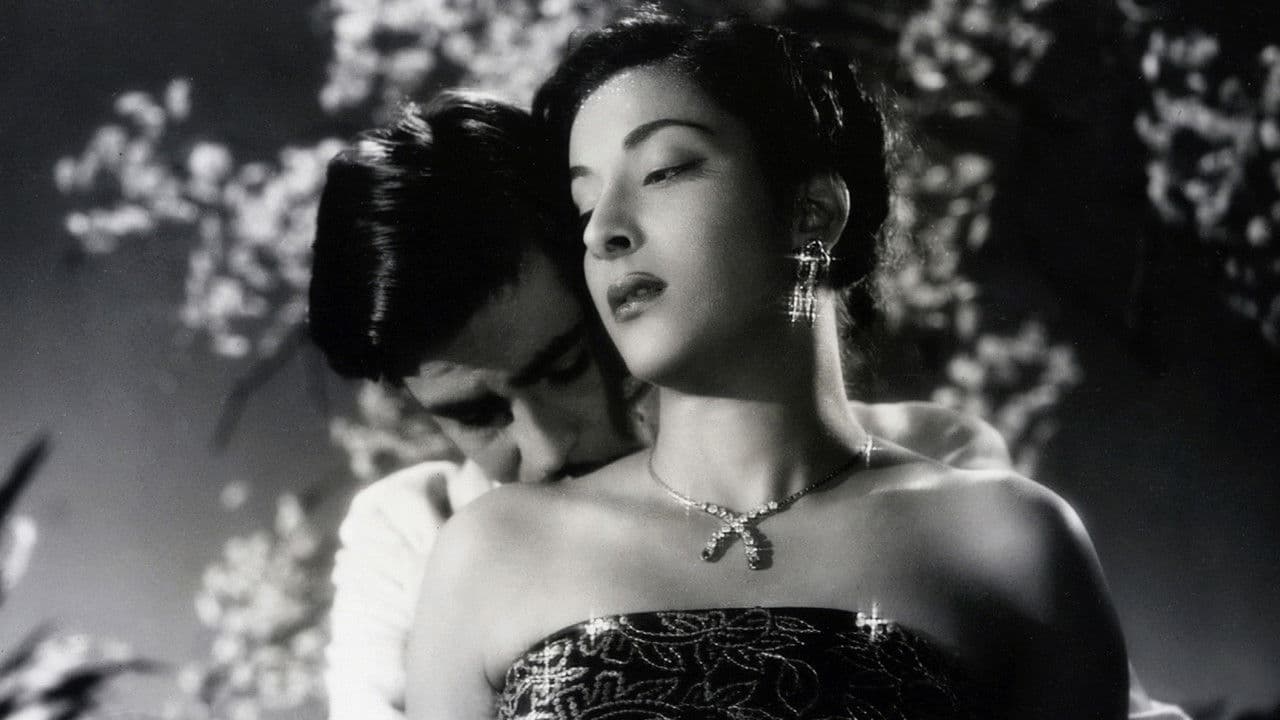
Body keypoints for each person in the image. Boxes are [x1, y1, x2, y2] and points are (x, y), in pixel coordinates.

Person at [405, 12, 1166, 718]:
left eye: (664, 170)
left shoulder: (1007, 543)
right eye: (584, 205)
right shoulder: (493, 551)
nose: (605, 229)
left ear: (812, 214)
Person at [308, 92, 1022, 720]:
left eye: (567, 367)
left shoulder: (934, 474)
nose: (548, 450)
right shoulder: (414, 533)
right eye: (477, 416)